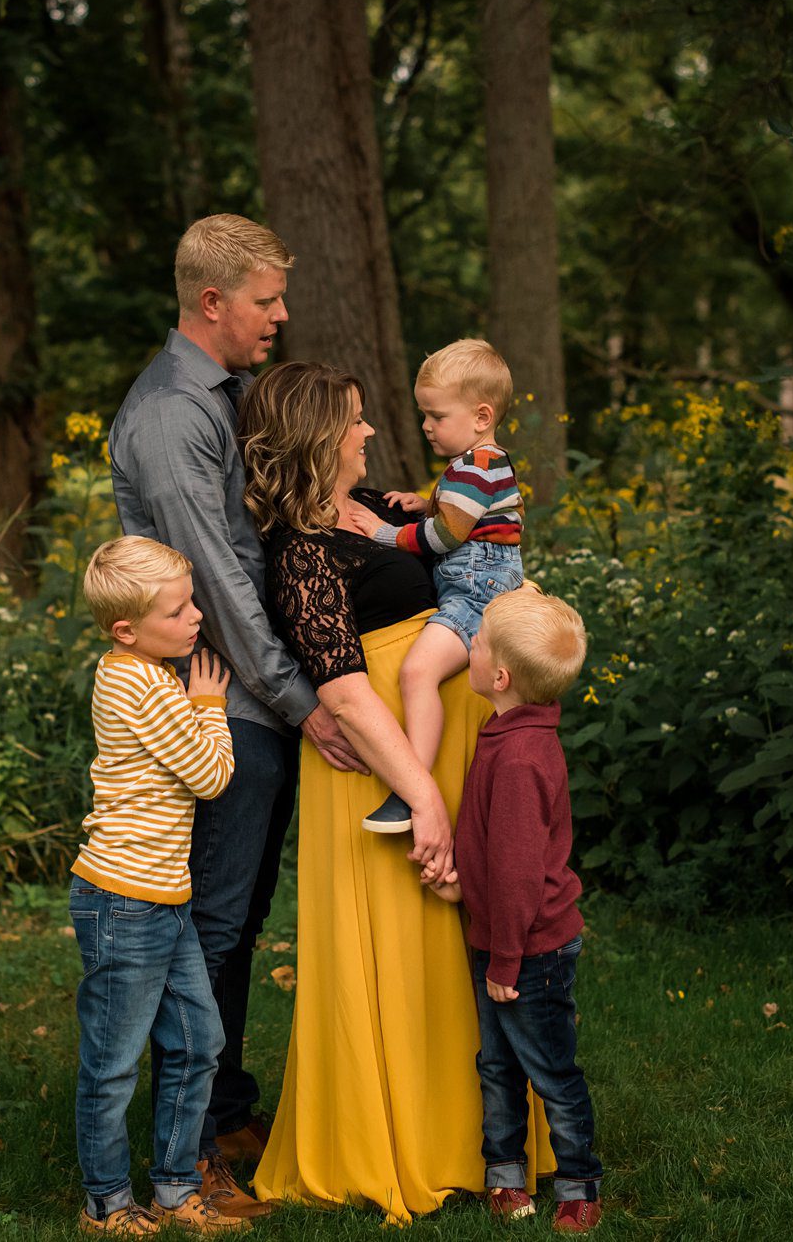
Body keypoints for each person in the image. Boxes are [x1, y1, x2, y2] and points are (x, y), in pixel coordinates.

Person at [239, 361, 552, 1224]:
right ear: (313, 439)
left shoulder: (375, 505)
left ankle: (483, 1140)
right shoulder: (301, 551)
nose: (370, 432)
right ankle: (395, 1139)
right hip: (381, 773)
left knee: (464, 950)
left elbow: (461, 532)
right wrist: (423, 798)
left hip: (439, 754)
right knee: (401, 941)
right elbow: (341, 692)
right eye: (353, 420)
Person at [107, 214, 364, 1210]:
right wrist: (302, 703)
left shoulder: (230, 398)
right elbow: (215, 580)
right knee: (209, 928)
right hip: (219, 709)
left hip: (251, 704)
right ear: (210, 302)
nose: (280, 315)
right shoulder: (173, 415)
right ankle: (191, 1152)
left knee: (236, 920)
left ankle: (223, 1105)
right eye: (265, 300)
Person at [67, 536, 249, 1236]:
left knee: (198, 1039)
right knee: (113, 1062)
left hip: (163, 897)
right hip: (123, 899)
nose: (197, 617)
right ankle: (106, 1201)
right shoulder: (138, 683)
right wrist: (209, 704)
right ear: (127, 629)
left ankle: (175, 1188)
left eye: (192, 600)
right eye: (179, 610)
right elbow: (211, 776)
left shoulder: (147, 671)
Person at [431, 585, 604, 1233]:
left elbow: (516, 875)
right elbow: (490, 846)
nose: (466, 643)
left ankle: (579, 1182)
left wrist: (504, 959)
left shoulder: (520, 758)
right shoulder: (509, 728)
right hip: (503, 935)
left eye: (474, 640)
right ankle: (505, 1175)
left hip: (529, 946)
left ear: (498, 675)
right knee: (497, 1064)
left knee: (552, 1070)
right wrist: (461, 887)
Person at [351, 339, 525, 833]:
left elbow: (448, 535)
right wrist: (423, 504)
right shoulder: (479, 464)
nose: (426, 425)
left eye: (436, 415)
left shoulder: (476, 465)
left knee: (417, 673)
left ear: (481, 414)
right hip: (475, 581)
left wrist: (386, 533)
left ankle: (411, 791)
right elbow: (464, 516)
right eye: (423, 413)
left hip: (477, 589)